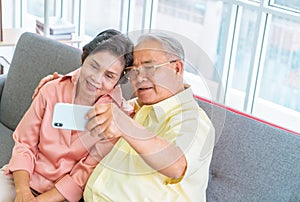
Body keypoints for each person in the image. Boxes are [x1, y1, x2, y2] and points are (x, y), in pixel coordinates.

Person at [32, 32, 215, 201]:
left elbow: (177, 165)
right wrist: (61, 85)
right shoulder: (142, 107)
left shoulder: (194, 120)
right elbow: (101, 100)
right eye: (133, 70)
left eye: (149, 67)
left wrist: (124, 124)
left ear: (176, 68)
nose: (139, 77)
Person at [0, 29, 134, 202]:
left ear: (117, 81)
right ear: (84, 58)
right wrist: (22, 191)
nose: (96, 79)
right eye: (94, 66)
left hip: (61, 195)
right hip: (22, 178)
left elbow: (82, 175)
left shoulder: (114, 118)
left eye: (109, 76)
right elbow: (24, 144)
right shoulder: (51, 89)